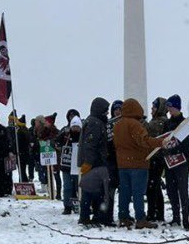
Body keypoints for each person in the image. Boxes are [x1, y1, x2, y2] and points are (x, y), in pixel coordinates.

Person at [113, 98, 165, 229]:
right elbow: (144, 141)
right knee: (138, 193)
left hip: (122, 165)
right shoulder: (135, 124)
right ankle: (141, 219)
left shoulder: (118, 125)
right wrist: (160, 142)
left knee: (124, 192)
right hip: (138, 164)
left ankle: (123, 217)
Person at [163, 94, 189, 230]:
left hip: (181, 163)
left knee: (183, 191)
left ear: (177, 107)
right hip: (169, 163)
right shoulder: (167, 123)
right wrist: (166, 151)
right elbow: (163, 141)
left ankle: (185, 218)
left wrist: (178, 151)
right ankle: (176, 217)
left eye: (170, 107)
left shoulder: (185, 124)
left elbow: (188, 144)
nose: (169, 110)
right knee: (171, 190)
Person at [76, 97, 110, 226]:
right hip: (94, 164)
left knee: (90, 191)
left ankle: (89, 216)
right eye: (105, 110)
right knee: (92, 193)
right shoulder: (95, 123)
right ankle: (90, 217)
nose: (107, 113)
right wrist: (89, 163)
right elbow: (90, 144)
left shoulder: (92, 121)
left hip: (93, 163)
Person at [146, 97, 169, 222]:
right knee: (155, 187)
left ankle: (152, 213)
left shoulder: (159, 122)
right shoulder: (160, 121)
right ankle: (158, 213)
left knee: (152, 187)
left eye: (154, 107)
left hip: (155, 158)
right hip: (156, 158)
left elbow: (150, 137)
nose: (151, 109)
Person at [56, 112, 82, 214]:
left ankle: (78, 204)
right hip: (66, 166)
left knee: (79, 186)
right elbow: (56, 142)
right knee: (67, 187)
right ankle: (67, 206)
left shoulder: (83, 135)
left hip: (78, 166)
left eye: (77, 127)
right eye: (73, 126)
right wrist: (59, 147)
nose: (75, 129)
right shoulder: (65, 134)